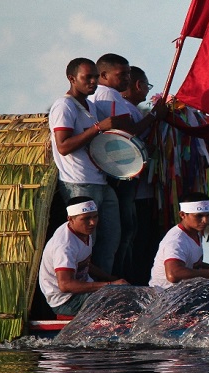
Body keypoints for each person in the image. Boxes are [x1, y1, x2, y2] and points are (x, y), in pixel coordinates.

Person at [49, 57, 129, 275]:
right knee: (86, 244)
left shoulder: (89, 106)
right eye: (87, 77)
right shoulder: (64, 106)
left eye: (95, 77)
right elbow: (63, 146)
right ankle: (86, 291)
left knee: (110, 240)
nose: (93, 81)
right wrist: (97, 128)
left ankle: (104, 292)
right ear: (72, 79)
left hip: (99, 180)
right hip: (79, 183)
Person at [39, 197, 129, 316]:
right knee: (123, 305)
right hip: (66, 301)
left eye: (95, 216)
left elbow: (85, 264)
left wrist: (110, 278)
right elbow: (65, 285)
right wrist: (110, 285)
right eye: (86, 219)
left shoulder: (84, 231)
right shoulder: (64, 246)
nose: (92, 223)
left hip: (81, 290)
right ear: (70, 219)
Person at [118, 66, 164, 284]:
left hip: (143, 189)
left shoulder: (133, 109)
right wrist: (155, 115)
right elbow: (129, 135)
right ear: (138, 85)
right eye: (147, 85)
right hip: (133, 188)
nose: (147, 89)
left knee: (145, 239)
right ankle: (135, 282)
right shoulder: (124, 108)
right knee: (136, 239)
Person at [149, 193, 209, 290]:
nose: (205, 221)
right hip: (165, 295)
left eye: (208, 215)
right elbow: (173, 275)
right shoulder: (176, 241)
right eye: (199, 216)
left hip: (182, 293)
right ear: (182, 215)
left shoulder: (194, 233)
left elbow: (196, 265)